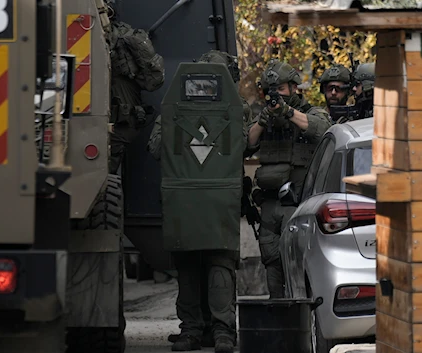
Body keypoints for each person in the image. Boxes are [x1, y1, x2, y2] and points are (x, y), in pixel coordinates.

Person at [147, 50, 248, 353]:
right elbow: (243, 146)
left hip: (184, 199)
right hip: (221, 199)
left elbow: (155, 148)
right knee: (220, 264)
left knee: (188, 264)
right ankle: (223, 334)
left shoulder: (173, 108)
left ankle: (192, 331)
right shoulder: (238, 109)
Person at [246, 60, 332, 299]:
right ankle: (278, 316)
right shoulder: (263, 118)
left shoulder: (310, 112)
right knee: (272, 262)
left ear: (294, 88)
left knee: (297, 261)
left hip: (298, 203)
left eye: (281, 89)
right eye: (270, 91)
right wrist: (263, 121)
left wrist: (288, 112)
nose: (275, 95)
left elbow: (322, 127)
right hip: (270, 204)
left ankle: (301, 320)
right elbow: (246, 143)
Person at [106, 0, 165, 174]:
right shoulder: (126, 37)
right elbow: (153, 82)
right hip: (124, 123)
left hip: (119, 122)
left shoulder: (116, 39)